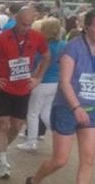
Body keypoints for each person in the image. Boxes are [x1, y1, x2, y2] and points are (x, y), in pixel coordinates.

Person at [22, 10, 95, 184]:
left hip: (92, 108)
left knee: (88, 160)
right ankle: (34, 181)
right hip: (67, 108)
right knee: (60, 160)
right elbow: (64, 82)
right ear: (87, 27)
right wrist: (75, 107)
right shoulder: (72, 48)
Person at [0, 6, 49, 180]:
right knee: (3, 124)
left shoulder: (36, 37)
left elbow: (47, 56)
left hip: (23, 88)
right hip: (4, 87)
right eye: (24, 24)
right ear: (16, 20)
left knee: (17, 126)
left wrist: (38, 77)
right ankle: (3, 161)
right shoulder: (2, 38)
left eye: (30, 24)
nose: (27, 28)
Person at [17, 17, 65, 152]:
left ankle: (31, 142)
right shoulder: (63, 45)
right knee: (46, 112)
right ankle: (60, 134)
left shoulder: (44, 46)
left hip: (41, 81)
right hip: (55, 82)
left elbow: (36, 64)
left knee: (32, 113)